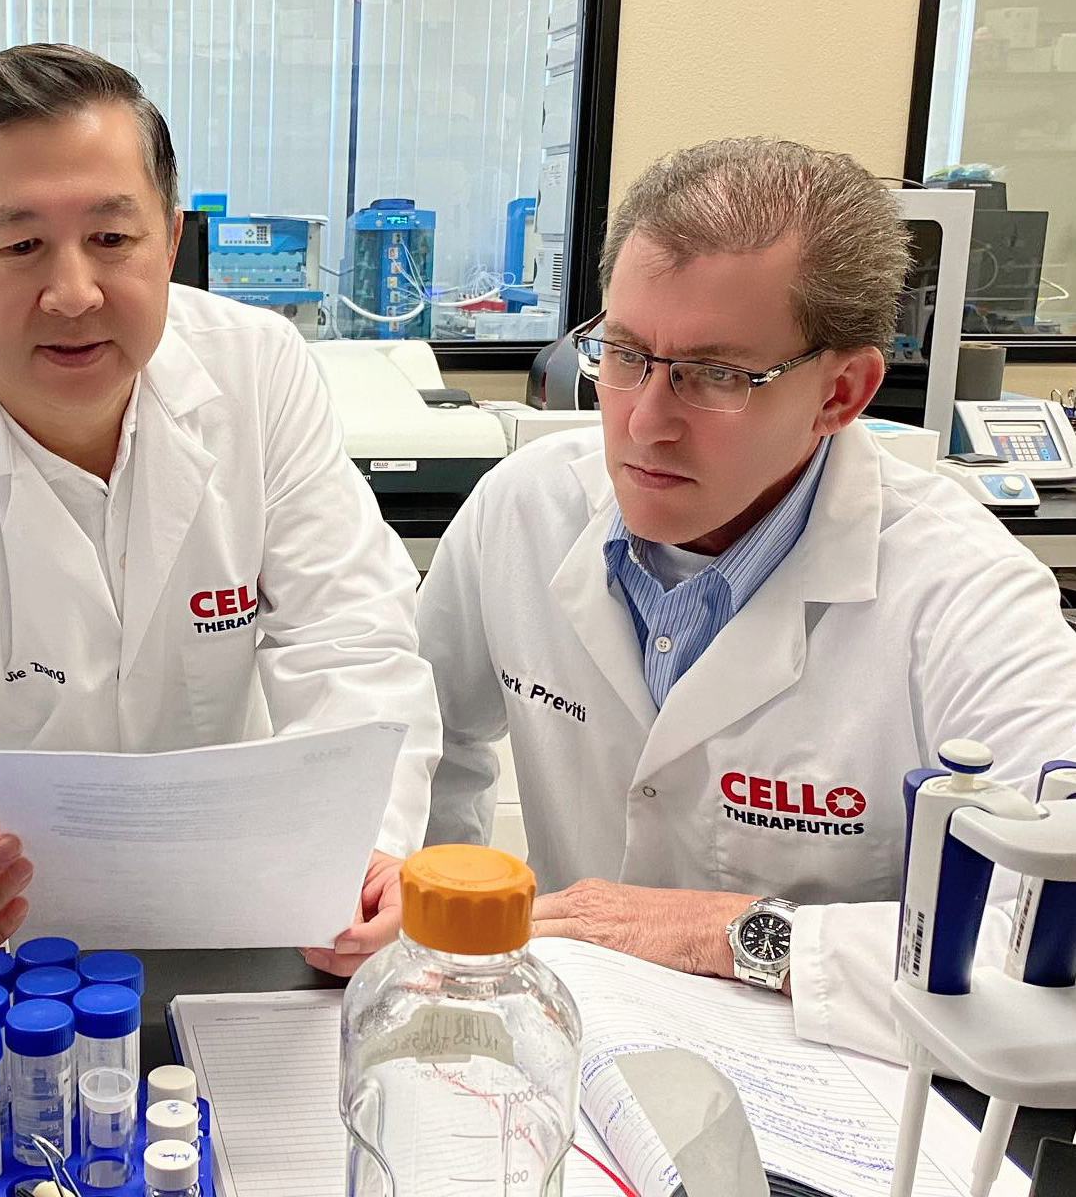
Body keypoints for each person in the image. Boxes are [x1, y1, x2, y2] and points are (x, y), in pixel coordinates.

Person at [0, 44, 441, 985]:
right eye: (19, 245)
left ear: (169, 239)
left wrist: (363, 857)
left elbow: (353, 650)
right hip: (3, 970)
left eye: (113, 240)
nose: (75, 292)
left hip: (258, 930)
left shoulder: (260, 376)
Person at [417, 136, 1076, 1059]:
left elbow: (1052, 942)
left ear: (841, 391)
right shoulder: (523, 510)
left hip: (835, 1085)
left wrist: (735, 935)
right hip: (569, 1058)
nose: (646, 420)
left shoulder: (964, 593)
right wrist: (420, 919)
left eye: (718, 375)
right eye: (625, 354)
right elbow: (423, 739)